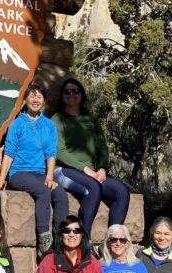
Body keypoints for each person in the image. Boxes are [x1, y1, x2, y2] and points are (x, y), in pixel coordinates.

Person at [0, 80, 68, 259]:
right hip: (19, 173)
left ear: (44, 101)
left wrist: (50, 176)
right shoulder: (17, 124)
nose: (36, 99)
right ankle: (44, 242)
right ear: (25, 99)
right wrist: (1, 178)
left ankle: (60, 239)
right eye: (32, 96)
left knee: (60, 195)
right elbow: (9, 153)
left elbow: (51, 153)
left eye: (39, 96)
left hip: (40, 173)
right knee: (43, 192)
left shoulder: (49, 125)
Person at [51, 78, 130, 239]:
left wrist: (102, 168)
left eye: (75, 91)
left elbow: (102, 148)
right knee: (94, 187)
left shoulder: (91, 119)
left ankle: (113, 240)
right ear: (62, 96)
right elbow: (59, 151)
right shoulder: (57, 119)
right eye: (67, 91)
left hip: (92, 173)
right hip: (63, 171)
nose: (71, 94)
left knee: (121, 191)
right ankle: (83, 240)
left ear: (82, 95)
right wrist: (85, 169)